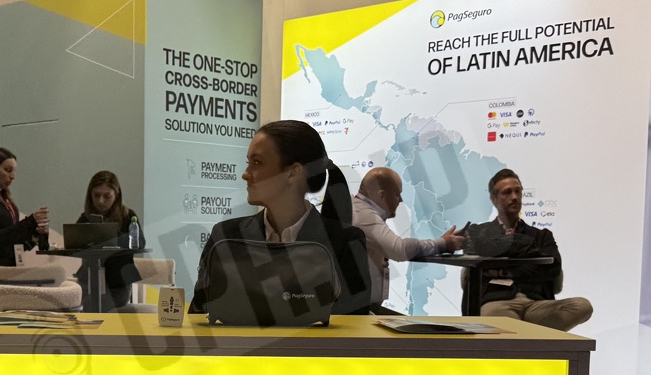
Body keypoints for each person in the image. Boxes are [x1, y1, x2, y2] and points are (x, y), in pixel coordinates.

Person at [190, 121, 371, 315]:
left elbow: (353, 327)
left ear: (293, 173)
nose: (245, 174)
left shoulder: (345, 243)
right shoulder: (225, 236)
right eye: (248, 163)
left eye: (257, 163)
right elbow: (199, 314)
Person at [466, 168, 592, 331]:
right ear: (494, 199)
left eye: (518, 191)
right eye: (507, 192)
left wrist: (503, 269)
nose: (514, 197)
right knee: (503, 327)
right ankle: (529, 337)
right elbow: (476, 266)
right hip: (498, 302)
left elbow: (553, 268)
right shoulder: (479, 232)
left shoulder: (542, 235)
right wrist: (527, 253)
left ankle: (524, 336)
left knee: (582, 306)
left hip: (536, 304)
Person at [352, 166, 465, 314]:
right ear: (382, 195)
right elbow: (400, 249)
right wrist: (443, 244)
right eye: (397, 195)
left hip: (362, 307)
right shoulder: (364, 214)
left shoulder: (355, 208)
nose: (400, 200)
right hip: (360, 310)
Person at [0, 147, 49, 266]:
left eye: (13, 171)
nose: (12, 176)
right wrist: (30, 222)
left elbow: (12, 240)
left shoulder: (5, 198)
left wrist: (36, 232)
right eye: (8, 170)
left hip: (9, 264)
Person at [77, 170, 143, 310]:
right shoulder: (85, 218)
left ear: (116, 195)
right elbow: (74, 242)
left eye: (107, 196)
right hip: (88, 281)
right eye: (96, 195)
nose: (101, 201)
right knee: (76, 305)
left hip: (117, 284)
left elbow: (140, 243)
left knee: (89, 306)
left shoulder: (128, 216)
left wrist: (113, 236)